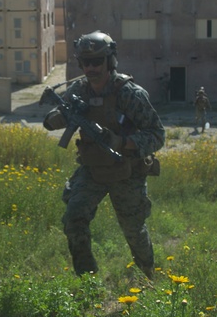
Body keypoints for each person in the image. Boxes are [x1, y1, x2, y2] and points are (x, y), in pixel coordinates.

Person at [43, 31, 166, 279]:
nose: (91, 67)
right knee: (74, 218)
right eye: (85, 62)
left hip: (127, 171)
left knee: (133, 230)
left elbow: (157, 135)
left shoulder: (130, 94)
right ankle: (88, 280)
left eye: (97, 61)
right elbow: (53, 119)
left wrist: (124, 142)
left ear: (110, 61)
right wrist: (58, 118)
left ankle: (147, 274)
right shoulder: (78, 91)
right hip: (94, 170)